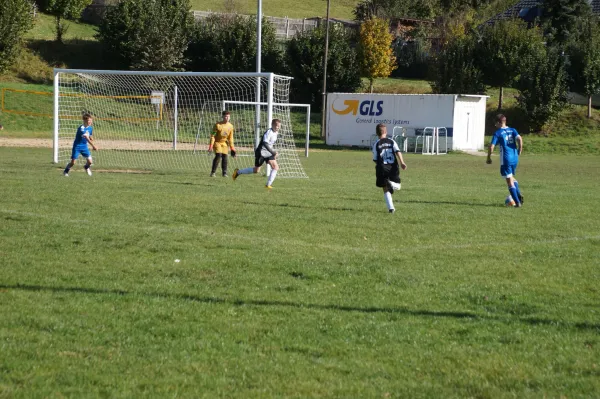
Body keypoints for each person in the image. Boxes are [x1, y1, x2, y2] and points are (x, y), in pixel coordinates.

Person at [487, 114, 524, 207]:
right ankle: (518, 195)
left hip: (506, 159)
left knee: (509, 181)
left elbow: (491, 146)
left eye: (495, 123)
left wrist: (488, 157)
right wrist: (520, 149)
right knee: (512, 177)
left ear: (499, 122)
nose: (495, 125)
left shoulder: (498, 133)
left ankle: (517, 202)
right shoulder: (513, 130)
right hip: (515, 157)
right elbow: (519, 138)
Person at [232, 118, 281, 189]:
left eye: (279, 126)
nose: (278, 128)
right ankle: (238, 172)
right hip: (261, 152)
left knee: (275, 167)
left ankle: (268, 185)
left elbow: (270, 144)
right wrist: (273, 152)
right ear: (272, 125)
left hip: (268, 153)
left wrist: (273, 153)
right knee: (256, 170)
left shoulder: (276, 133)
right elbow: (265, 143)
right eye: (277, 126)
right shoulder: (269, 132)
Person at [373, 123, 407, 213]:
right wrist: (402, 162)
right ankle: (392, 185)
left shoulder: (376, 144)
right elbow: (397, 151)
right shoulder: (392, 141)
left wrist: (380, 166)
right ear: (386, 132)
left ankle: (391, 208)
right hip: (393, 167)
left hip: (381, 168)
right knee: (398, 186)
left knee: (385, 188)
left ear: (377, 133)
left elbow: (375, 159)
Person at [209, 110, 236, 177]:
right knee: (218, 155)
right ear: (222, 117)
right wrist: (211, 145)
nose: (227, 118)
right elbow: (213, 136)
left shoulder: (230, 126)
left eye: (228, 116)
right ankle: (213, 172)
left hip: (224, 143)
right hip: (217, 142)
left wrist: (232, 148)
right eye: (226, 116)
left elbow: (230, 138)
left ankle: (224, 173)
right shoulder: (217, 125)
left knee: (225, 157)